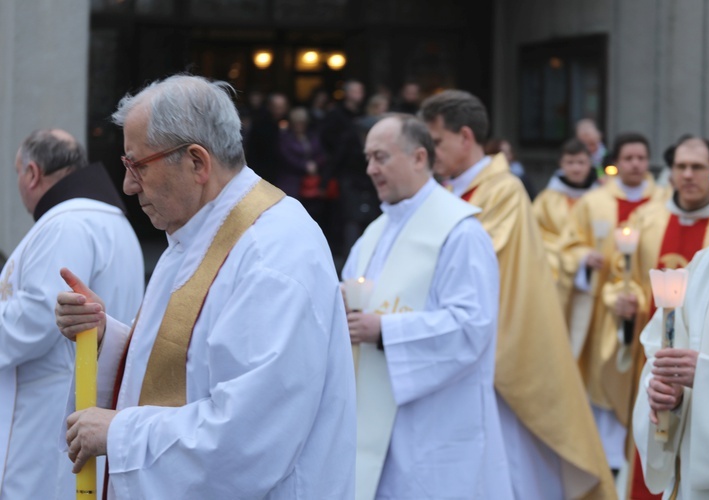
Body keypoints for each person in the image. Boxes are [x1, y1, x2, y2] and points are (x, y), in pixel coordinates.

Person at [55, 75, 356, 499]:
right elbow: (187, 363)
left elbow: (250, 438)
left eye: (137, 166)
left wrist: (120, 432)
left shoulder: (274, 252)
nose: (128, 186)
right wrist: (105, 338)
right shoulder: (195, 232)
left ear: (197, 162)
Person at [420, 90, 615, 500]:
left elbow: (478, 260)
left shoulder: (501, 190)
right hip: (472, 342)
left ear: (466, 137)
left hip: (504, 345)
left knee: (513, 467)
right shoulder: (453, 190)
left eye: (436, 141)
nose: (429, 151)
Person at [342, 114, 513, 499]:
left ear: (419, 158)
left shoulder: (461, 232)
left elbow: (473, 327)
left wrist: (384, 330)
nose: (371, 169)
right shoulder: (375, 231)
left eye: (381, 157)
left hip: (439, 424)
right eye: (368, 158)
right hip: (376, 417)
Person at [0, 129, 144, 499]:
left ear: (32, 173)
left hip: (48, 409)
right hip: (86, 401)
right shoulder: (110, 219)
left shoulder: (67, 222)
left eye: (18, 173)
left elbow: (37, 317)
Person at [633, 119, 709, 499]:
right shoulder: (703, 266)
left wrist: (708, 377)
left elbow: (699, 371)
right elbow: (660, 359)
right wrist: (671, 395)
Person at [602, 136, 709, 499]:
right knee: (647, 441)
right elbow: (628, 278)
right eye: (680, 167)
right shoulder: (648, 219)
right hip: (651, 358)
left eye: (697, 167)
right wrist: (624, 301)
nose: (687, 175)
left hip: (701, 363)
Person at [558, 132, 667, 473]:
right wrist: (582, 260)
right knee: (601, 376)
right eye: (629, 158)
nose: (635, 164)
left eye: (641, 157)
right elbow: (568, 244)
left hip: (649, 307)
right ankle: (607, 459)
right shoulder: (595, 202)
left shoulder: (663, 202)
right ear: (616, 163)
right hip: (600, 311)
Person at [320, 79, 379, 256]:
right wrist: (327, 178)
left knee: (366, 218)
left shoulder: (360, 118)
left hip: (365, 181)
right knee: (352, 219)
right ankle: (351, 256)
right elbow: (334, 151)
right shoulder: (339, 120)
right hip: (350, 180)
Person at [533, 137, 598, 290]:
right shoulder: (546, 200)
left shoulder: (600, 198)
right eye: (570, 162)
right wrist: (577, 257)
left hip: (594, 272)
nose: (576, 169)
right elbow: (535, 235)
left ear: (590, 163)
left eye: (581, 162)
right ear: (561, 164)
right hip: (554, 274)